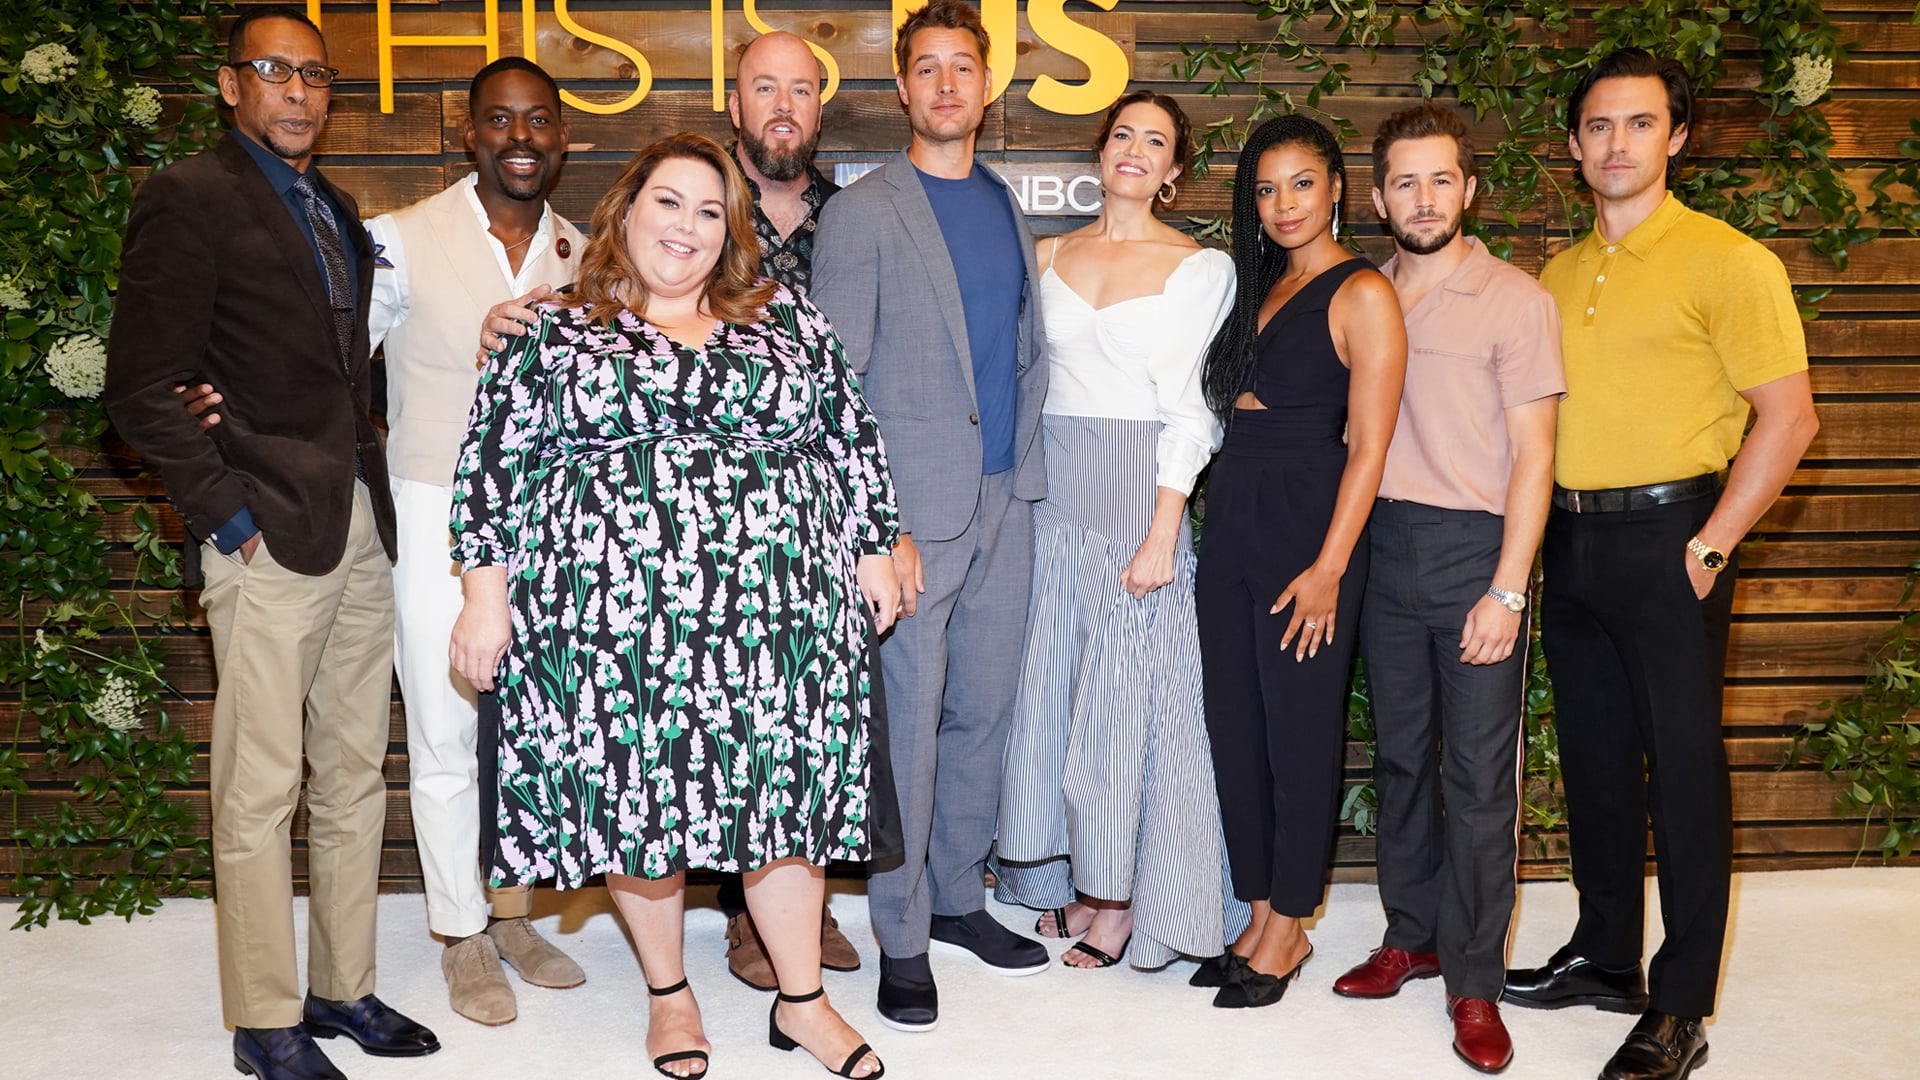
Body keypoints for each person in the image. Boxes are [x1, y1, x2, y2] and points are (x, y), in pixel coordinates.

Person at [447, 132, 897, 1080]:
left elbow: (850, 438)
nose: (686, 226)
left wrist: (877, 542)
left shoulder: (787, 318)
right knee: (640, 803)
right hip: (612, 623)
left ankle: (803, 1002)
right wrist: (485, 601)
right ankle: (669, 994)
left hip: (783, 618)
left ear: (730, 231)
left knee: (785, 803)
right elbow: (490, 469)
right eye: (668, 201)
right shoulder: (551, 328)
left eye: (708, 210)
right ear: (626, 209)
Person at [179, 57, 591, 1027]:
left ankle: (512, 912)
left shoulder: (582, 250)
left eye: (538, 120)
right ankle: (462, 933)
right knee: (445, 729)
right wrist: (219, 407)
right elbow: (323, 366)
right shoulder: (397, 239)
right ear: (468, 133)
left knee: (528, 732)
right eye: (501, 119)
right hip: (432, 507)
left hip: (553, 525)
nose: (520, 137)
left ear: (562, 139)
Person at [102, 7, 439, 1078]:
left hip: (356, 523)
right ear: (230, 84)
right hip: (263, 534)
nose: (299, 92)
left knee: (353, 774)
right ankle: (263, 1018)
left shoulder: (332, 205)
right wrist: (225, 514)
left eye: (315, 76)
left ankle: (342, 987)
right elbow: (139, 387)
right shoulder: (189, 197)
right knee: (259, 789)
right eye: (275, 71)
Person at [1501, 49, 1817, 1080]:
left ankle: (1680, 1008)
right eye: (1598, 125)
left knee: (1681, 776)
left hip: (1674, 538)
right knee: (1594, 763)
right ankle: (1605, 956)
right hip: (1572, 541)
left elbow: (1790, 418)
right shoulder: (1556, 276)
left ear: (1677, 137)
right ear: (1574, 143)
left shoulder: (1730, 261)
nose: (1617, 143)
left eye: (1640, 123)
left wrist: (1714, 542)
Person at [808, 0, 1053, 1032]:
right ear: (902, 89)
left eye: (963, 67)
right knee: (908, 725)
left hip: (1005, 501)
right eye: (927, 68)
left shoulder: (1004, 204)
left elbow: (1021, 356)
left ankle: (956, 897)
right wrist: (876, 528)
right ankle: (900, 936)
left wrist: (1022, 484)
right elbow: (834, 387)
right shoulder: (866, 212)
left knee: (983, 714)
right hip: (911, 517)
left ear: (988, 88)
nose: (947, 84)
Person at [1331, 102, 1563, 1074]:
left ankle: (1474, 981)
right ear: (1380, 198)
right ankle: (1412, 936)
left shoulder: (1515, 298)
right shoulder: (1363, 293)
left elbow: (1536, 455)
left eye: (1440, 179)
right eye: (1404, 182)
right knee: (1401, 765)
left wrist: (1508, 590)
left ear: (1467, 189)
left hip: (1476, 552)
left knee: (1476, 779)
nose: (1423, 198)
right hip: (1385, 549)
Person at [989, 89, 1245, 973]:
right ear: (1101, 153)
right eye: (1123, 134)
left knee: (1127, 708)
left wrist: (1164, 530)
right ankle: (1066, 877)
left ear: (1173, 171)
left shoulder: (1199, 269)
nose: (1135, 149)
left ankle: (1124, 902)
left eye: (1156, 141)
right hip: (1051, 492)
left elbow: (1195, 411)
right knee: (1053, 697)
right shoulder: (1047, 253)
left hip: (1139, 495)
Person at [1192, 114, 1407, 1009]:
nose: (1284, 204)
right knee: (1236, 726)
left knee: (1298, 733)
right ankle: (1257, 910)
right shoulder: (1260, 286)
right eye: (1267, 188)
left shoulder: (1364, 293)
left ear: (1337, 189)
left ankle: (1291, 923)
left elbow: (1370, 447)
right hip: (1233, 518)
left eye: (1302, 183)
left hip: (1309, 530)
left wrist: (1329, 568)